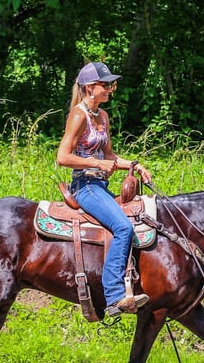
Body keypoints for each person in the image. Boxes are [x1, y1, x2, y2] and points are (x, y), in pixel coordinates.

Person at [56, 61, 152, 316]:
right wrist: (95, 163)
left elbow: (109, 154)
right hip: (85, 185)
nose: (111, 88)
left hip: (100, 184)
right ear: (90, 87)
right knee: (123, 227)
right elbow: (63, 157)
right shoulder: (79, 115)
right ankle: (114, 296)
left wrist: (134, 165)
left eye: (112, 84)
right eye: (106, 84)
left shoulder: (102, 116)